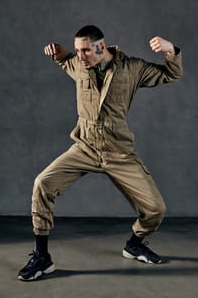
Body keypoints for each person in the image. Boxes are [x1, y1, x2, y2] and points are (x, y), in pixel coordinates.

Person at [17, 25, 183, 281]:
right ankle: (42, 257)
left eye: (85, 50)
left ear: (101, 47)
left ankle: (134, 244)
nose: (80, 56)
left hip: (119, 153)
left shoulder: (133, 69)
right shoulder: (77, 65)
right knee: (43, 183)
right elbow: (65, 62)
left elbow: (171, 74)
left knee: (155, 209)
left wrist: (170, 50)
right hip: (85, 148)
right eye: (77, 50)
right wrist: (59, 53)